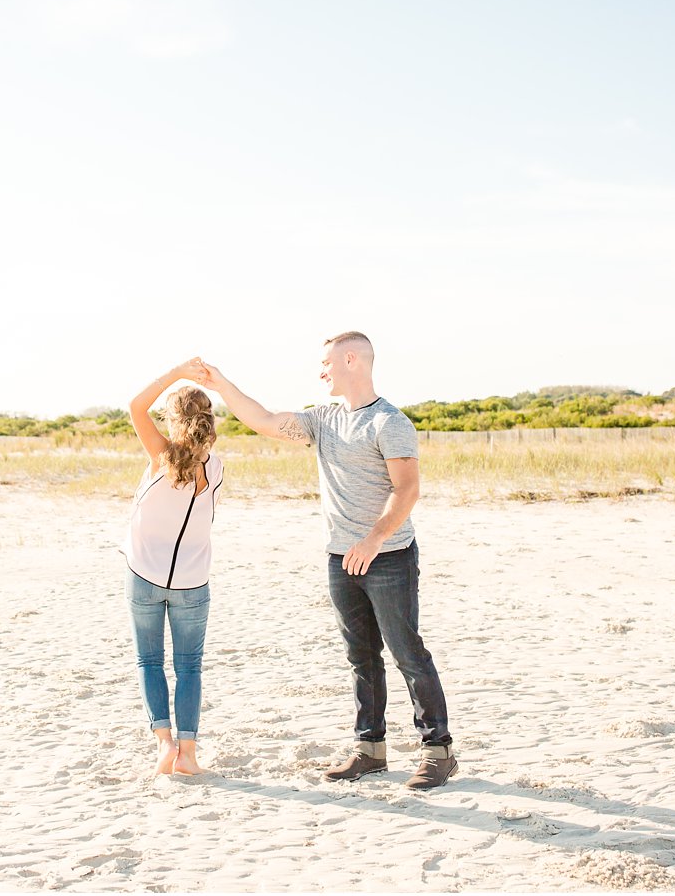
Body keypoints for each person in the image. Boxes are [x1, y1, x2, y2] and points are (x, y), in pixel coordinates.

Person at [198, 332, 456, 789]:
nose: (321, 372)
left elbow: (408, 490)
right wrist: (222, 385)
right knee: (361, 657)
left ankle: (438, 751)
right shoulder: (323, 420)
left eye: (327, 362)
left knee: (406, 652)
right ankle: (369, 749)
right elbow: (264, 419)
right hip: (340, 559)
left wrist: (373, 540)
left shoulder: (389, 422)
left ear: (351, 359)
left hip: (388, 557)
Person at [122, 358, 223, 776]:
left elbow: (134, 407)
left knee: (150, 661)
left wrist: (176, 374)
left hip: (143, 575)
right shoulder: (215, 466)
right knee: (189, 667)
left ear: (173, 420)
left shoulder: (161, 456)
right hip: (192, 583)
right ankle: (189, 754)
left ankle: (164, 744)